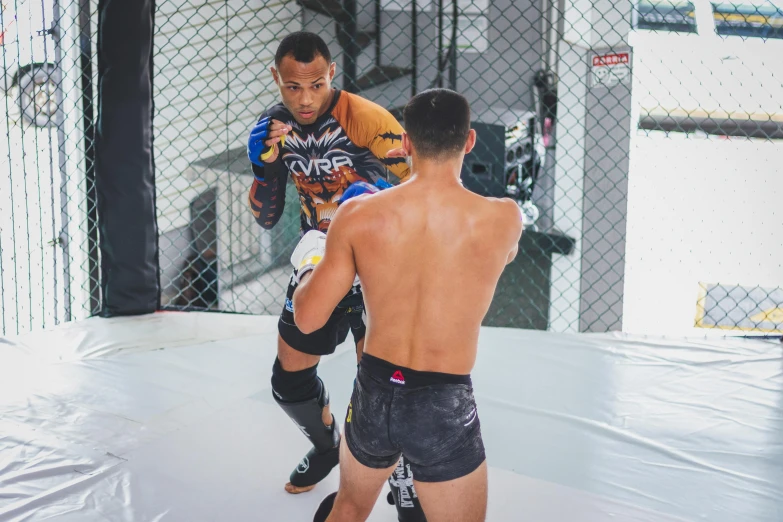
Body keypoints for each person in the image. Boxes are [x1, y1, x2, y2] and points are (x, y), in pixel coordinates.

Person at [290, 88, 524, 522]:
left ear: (406, 143)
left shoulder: (357, 215)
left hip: (376, 388)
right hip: (443, 399)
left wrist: (310, 260)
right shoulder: (504, 218)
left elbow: (307, 320)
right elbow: (501, 256)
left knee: (349, 509)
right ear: (469, 141)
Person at [246, 31, 427, 520]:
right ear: (277, 79)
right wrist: (262, 171)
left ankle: (405, 480)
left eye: (316, 85)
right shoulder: (275, 126)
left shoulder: (368, 120)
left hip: (381, 253)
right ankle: (328, 445)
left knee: (386, 386)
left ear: (332, 75)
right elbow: (266, 218)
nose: (304, 99)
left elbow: (429, 194)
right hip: (321, 254)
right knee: (288, 380)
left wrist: (377, 196)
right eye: (291, 87)